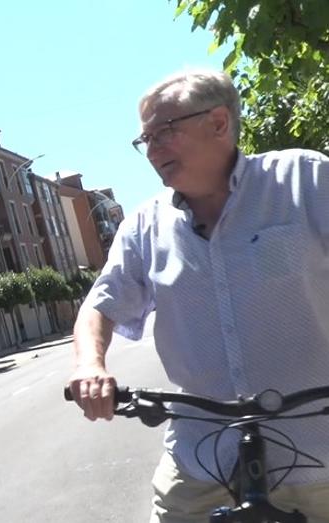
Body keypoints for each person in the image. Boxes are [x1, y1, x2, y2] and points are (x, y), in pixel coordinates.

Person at [68, 69, 329, 522]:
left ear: (219, 123)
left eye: (164, 131)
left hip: (321, 457)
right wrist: (91, 365)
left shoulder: (306, 181)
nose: (151, 149)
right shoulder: (144, 227)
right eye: (144, 139)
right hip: (201, 459)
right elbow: (101, 304)